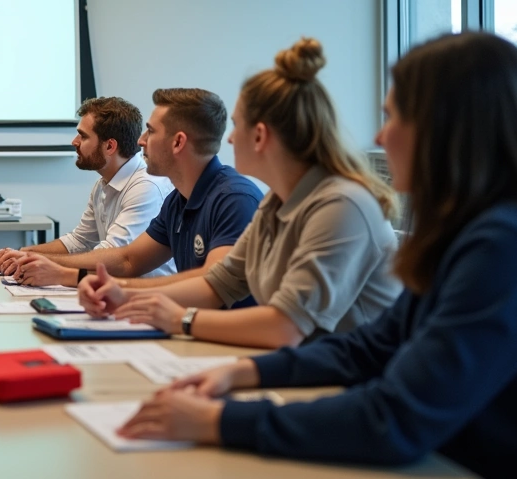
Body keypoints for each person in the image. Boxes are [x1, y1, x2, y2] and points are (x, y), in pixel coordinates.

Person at [117, 32, 517, 479]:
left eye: (392, 116)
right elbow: (370, 348)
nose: (380, 136)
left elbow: (395, 418)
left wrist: (218, 421)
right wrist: (244, 372)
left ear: (447, 129)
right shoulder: (467, 232)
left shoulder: (505, 246)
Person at [80, 39, 402, 348]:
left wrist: (181, 320)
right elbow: (216, 284)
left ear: (260, 135)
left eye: (236, 125)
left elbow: (284, 327)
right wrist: (121, 293)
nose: (230, 139)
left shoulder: (341, 205)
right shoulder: (276, 203)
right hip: (305, 365)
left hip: (353, 377)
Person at [10, 89, 262, 290]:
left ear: (178, 142)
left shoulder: (234, 199)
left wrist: (64, 272)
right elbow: (128, 260)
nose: (141, 141)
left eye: (150, 131)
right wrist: (57, 271)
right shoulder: (178, 200)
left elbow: (209, 285)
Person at [0, 96, 175, 277]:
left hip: (142, 290)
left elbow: (112, 255)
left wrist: (37, 260)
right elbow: (79, 241)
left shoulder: (146, 187)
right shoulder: (103, 184)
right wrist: (25, 253)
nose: (75, 142)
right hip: (115, 286)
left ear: (110, 146)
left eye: (83, 136)